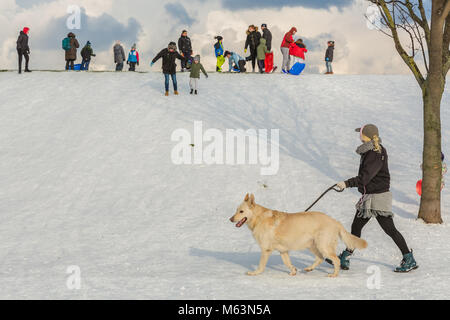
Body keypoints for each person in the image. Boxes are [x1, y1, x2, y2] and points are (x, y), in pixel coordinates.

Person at [334, 124, 418, 273]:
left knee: (390, 229)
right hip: (370, 196)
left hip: (378, 198)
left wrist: (346, 184)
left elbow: (365, 178)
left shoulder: (374, 152)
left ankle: (409, 258)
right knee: (356, 227)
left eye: (360, 133)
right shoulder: (370, 151)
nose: (358, 135)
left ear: (365, 135)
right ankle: (345, 256)